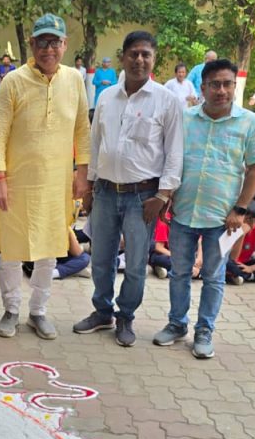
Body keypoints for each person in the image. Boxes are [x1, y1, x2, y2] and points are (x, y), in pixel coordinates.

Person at [73, 31, 183, 347]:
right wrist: (90, 188)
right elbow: (96, 144)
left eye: (146, 54)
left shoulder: (167, 100)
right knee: (101, 258)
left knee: (135, 264)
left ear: (154, 59)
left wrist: (162, 195)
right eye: (134, 54)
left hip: (143, 197)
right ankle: (102, 311)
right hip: (106, 192)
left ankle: (126, 316)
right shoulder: (107, 97)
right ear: (123, 57)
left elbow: (175, 152)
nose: (139, 60)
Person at [151, 58, 255, 359]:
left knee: (214, 276)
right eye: (215, 84)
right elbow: (171, 159)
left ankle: (204, 330)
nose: (221, 90)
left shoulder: (250, 122)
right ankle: (177, 324)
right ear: (202, 88)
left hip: (224, 217)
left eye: (228, 84)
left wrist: (240, 210)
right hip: (183, 211)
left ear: (235, 86)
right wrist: (167, 196)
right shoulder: (185, 118)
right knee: (179, 272)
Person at [0, 13, 90, 340]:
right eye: (42, 42)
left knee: (50, 250)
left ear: (64, 45)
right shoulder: (13, 81)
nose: (49, 49)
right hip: (16, 183)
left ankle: (38, 311)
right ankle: (11, 310)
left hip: (56, 183)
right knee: (12, 250)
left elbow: (82, 129)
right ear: (32, 44)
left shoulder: (74, 80)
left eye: (55, 42)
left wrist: (82, 173)